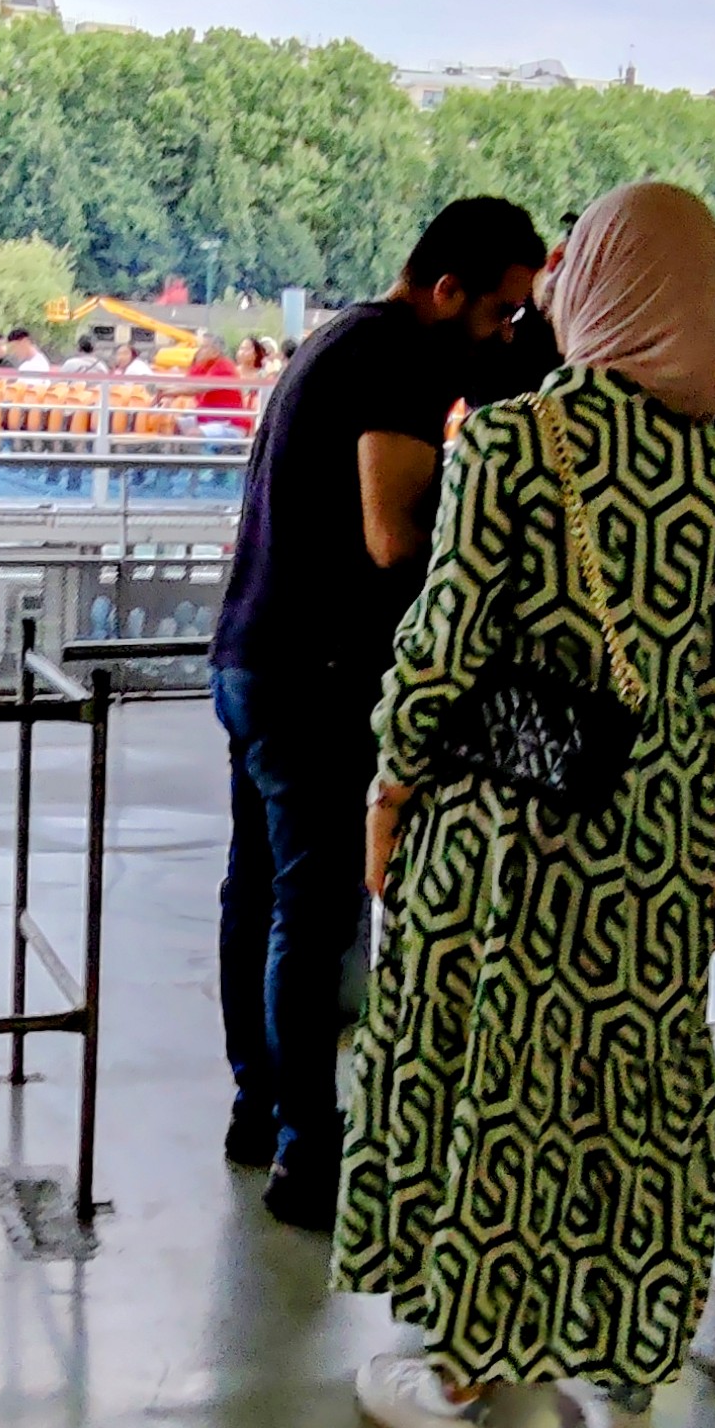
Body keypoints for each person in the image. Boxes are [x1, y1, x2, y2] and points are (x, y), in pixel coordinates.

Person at [336, 183, 715, 1428]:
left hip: (506, 842)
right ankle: (621, 1377)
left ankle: (461, 1386)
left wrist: (390, 787)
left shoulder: (516, 441)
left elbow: (445, 643)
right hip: (650, 855)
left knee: (493, 1085)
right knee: (623, 1099)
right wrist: (697, 841)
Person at [207, 195, 550, 1228]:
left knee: (259, 893)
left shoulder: (342, 339)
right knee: (312, 918)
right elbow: (392, 536)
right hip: (315, 676)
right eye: (500, 312)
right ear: (445, 290)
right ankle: (308, 1153)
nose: (505, 334)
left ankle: (260, 1109)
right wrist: (491, 526)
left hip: (251, 656)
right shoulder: (398, 357)